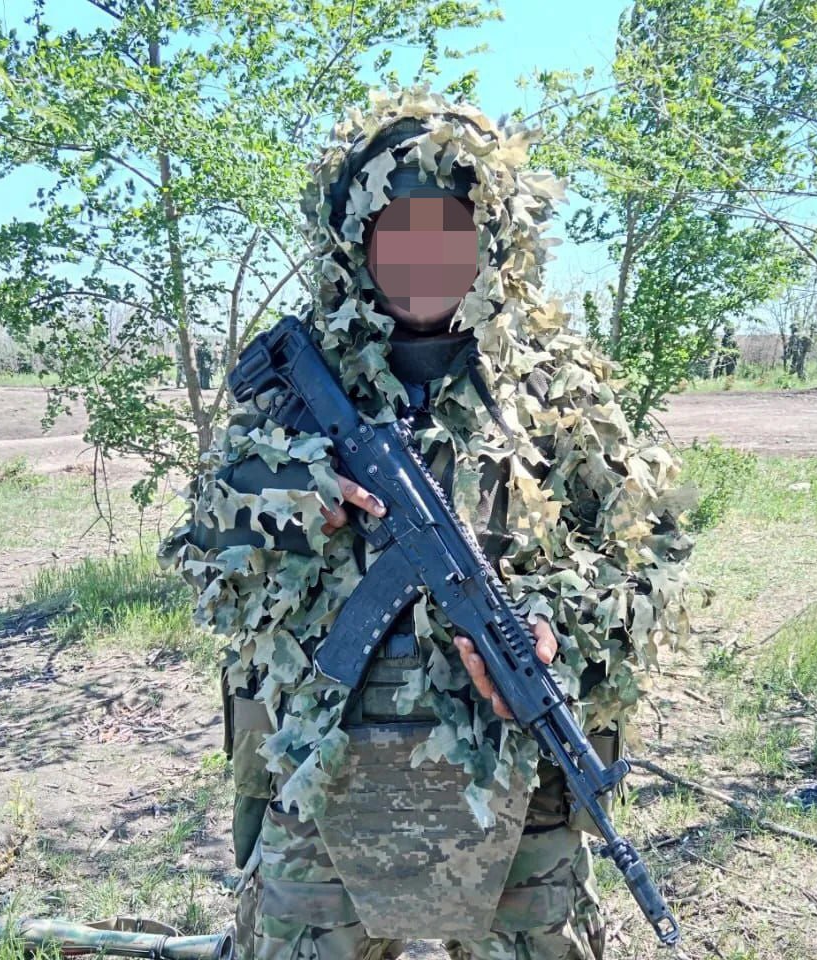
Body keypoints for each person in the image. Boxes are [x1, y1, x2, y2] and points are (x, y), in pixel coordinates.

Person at [159, 87, 697, 960]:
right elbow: (201, 544)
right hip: (319, 761)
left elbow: (652, 556)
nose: (421, 255)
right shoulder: (302, 386)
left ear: (491, 240)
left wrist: (557, 627)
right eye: (397, 230)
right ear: (358, 239)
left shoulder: (560, 390)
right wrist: (293, 497)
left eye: (447, 230)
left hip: (513, 772)